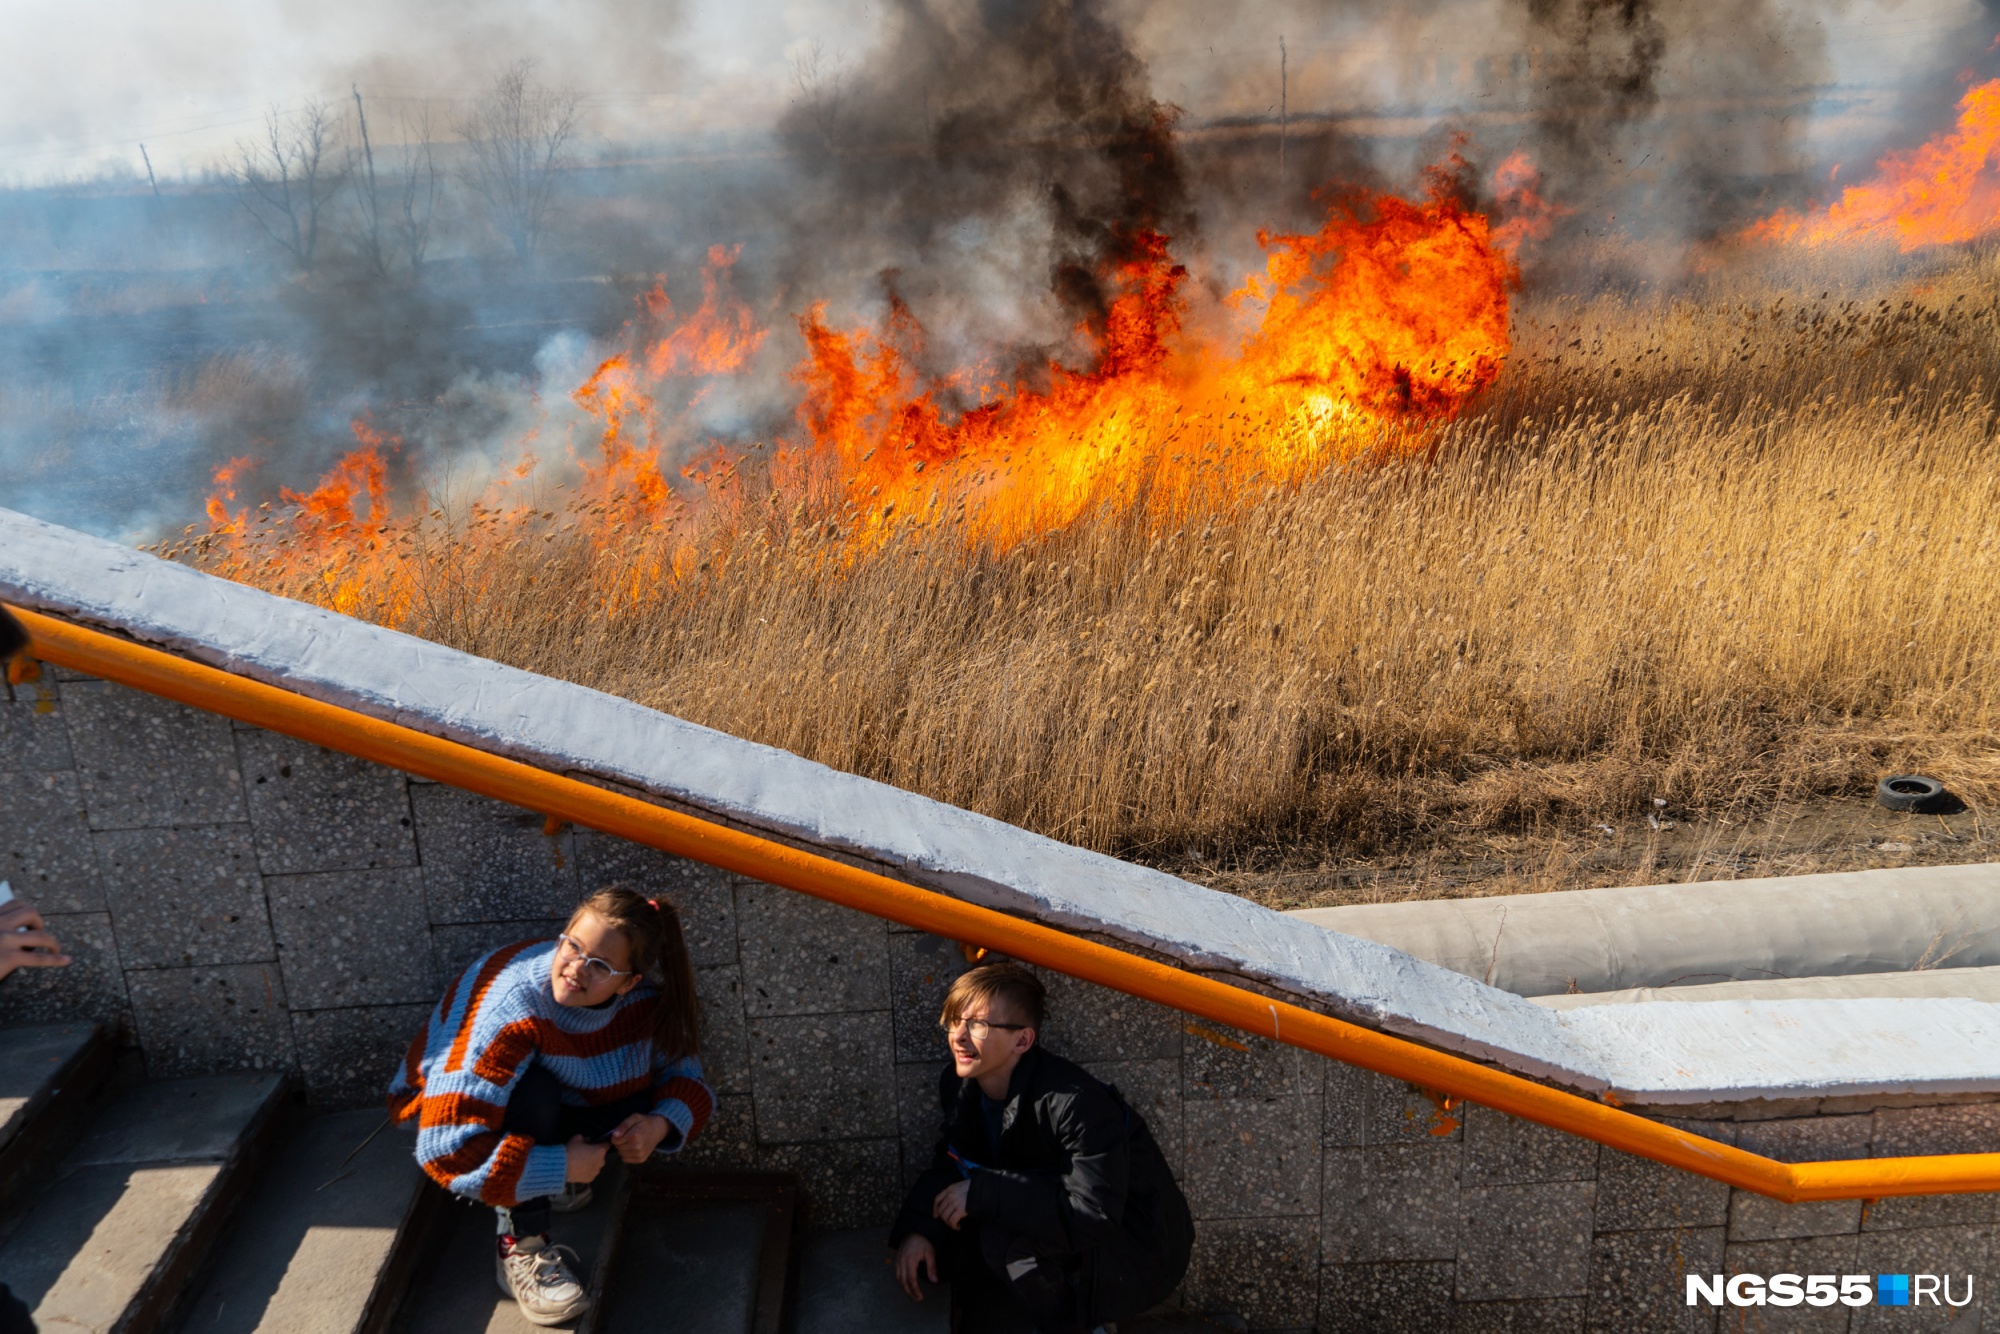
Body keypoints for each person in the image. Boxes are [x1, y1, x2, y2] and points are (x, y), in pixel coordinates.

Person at [389, 886, 712, 1327]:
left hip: (562, 1098)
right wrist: (560, 1165)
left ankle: (549, 1178)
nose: (577, 969)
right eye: (572, 945)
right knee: (532, 1090)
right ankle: (521, 1244)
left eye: (599, 965)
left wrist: (658, 1125)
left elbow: (688, 1081)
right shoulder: (514, 1008)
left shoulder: (644, 1003)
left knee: (637, 1090)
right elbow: (444, 1147)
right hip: (443, 1107)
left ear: (629, 981)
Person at [891, 962, 1194, 1334]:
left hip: (1133, 1252)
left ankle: (1081, 1323)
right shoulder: (960, 1085)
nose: (959, 1036)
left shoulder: (1075, 1103)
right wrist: (919, 1229)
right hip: (1057, 1225)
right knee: (947, 1257)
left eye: (979, 1025)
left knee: (1001, 1241)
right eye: (954, 1020)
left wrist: (983, 1193)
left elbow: (1094, 1214)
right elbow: (954, 1158)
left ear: (1022, 1040)